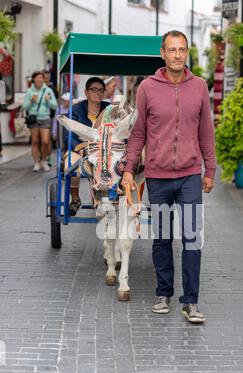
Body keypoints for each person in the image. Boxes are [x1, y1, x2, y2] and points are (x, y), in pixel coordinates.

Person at [121, 30, 216, 324]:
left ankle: (191, 302)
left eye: (182, 50)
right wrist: (127, 169)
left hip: (189, 176)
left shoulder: (199, 86)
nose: (177, 55)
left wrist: (209, 169)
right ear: (162, 53)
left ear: (186, 53)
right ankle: (163, 294)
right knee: (162, 239)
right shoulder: (148, 88)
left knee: (191, 238)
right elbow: (138, 134)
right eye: (172, 50)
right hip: (159, 177)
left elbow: (206, 132)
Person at [63, 77, 109, 216]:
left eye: (101, 90)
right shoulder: (75, 110)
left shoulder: (109, 109)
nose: (98, 93)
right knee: (70, 164)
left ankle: (109, 197)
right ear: (86, 92)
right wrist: (81, 148)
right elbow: (68, 135)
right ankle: (75, 198)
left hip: (104, 151)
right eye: (94, 90)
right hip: (80, 149)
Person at [23, 71, 57, 172]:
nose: (39, 80)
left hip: (45, 118)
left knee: (45, 142)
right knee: (35, 141)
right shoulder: (29, 91)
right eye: (37, 78)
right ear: (33, 79)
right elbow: (25, 107)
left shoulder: (48, 90)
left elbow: (54, 105)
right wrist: (31, 101)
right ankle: (36, 162)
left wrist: (48, 100)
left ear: (43, 79)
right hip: (33, 119)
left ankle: (43, 160)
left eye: (41, 78)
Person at [43, 70, 59, 167]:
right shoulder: (35, 89)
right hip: (39, 117)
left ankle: (47, 157)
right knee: (40, 140)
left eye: (46, 76)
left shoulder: (52, 88)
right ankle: (42, 156)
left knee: (47, 139)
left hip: (50, 116)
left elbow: (56, 102)